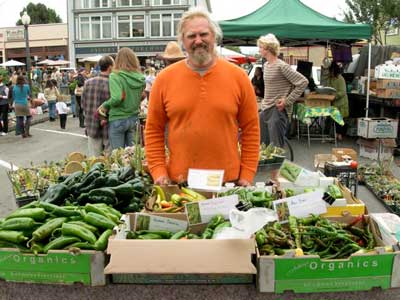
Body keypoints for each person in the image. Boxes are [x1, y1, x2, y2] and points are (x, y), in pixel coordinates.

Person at [145, 8, 260, 186]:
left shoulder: (239, 77)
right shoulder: (164, 79)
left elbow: (251, 129)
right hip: (180, 183)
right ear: (183, 40)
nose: (198, 41)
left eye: (203, 34)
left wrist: (247, 174)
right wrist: (158, 171)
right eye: (191, 36)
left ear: (214, 36)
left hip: (228, 181)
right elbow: (153, 130)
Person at [258, 33, 308, 147]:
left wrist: (287, 101)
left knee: (276, 149)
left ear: (268, 48)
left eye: (261, 47)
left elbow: (303, 82)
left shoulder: (282, 66)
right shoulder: (266, 65)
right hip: (265, 109)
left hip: (277, 111)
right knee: (263, 147)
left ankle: (277, 165)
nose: (259, 49)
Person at [101, 48, 145, 150]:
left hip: (118, 118)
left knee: (118, 156)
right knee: (134, 155)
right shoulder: (139, 77)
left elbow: (116, 98)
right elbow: (142, 96)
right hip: (133, 118)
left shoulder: (115, 76)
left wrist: (105, 105)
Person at [81, 55, 114, 156]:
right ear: (110, 67)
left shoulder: (88, 83)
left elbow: (83, 104)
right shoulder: (113, 83)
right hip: (108, 127)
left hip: (91, 125)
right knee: (111, 162)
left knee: (94, 161)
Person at [327, 61, 349, 141]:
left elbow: (343, 92)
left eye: (331, 71)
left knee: (340, 120)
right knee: (336, 119)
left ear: (334, 71)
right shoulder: (331, 79)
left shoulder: (340, 78)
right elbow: (329, 88)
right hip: (334, 103)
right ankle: (336, 135)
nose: (330, 73)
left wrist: (334, 96)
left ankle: (339, 135)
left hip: (341, 103)